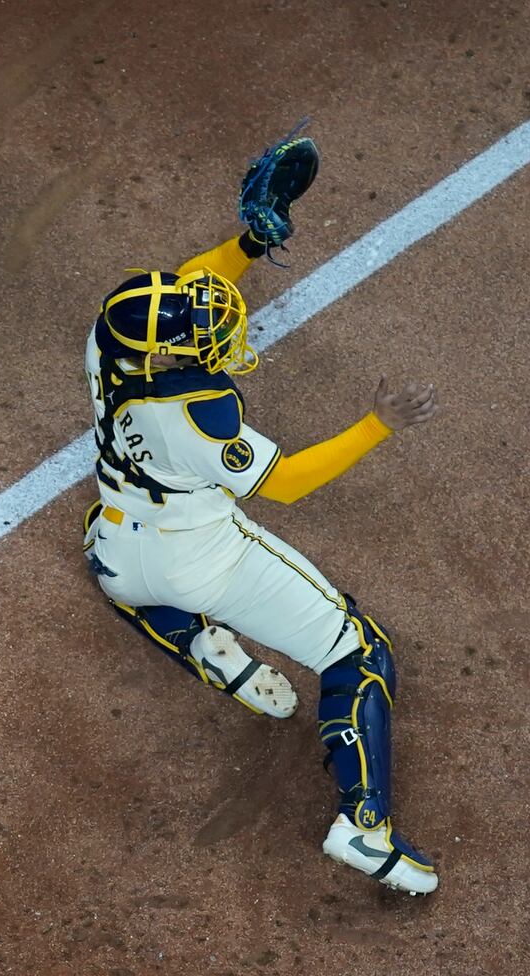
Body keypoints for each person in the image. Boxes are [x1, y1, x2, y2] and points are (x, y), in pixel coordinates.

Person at [80, 129, 442, 893]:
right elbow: (286, 482)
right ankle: (364, 827)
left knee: (112, 551)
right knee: (360, 651)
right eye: (200, 336)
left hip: (117, 555)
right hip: (200, 564)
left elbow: (186, 283)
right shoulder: (202, 418)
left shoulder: (111, 342)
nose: (215, 331)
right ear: (172, 358)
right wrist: (377, 425)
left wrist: (248, 243)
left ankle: (194, 642)